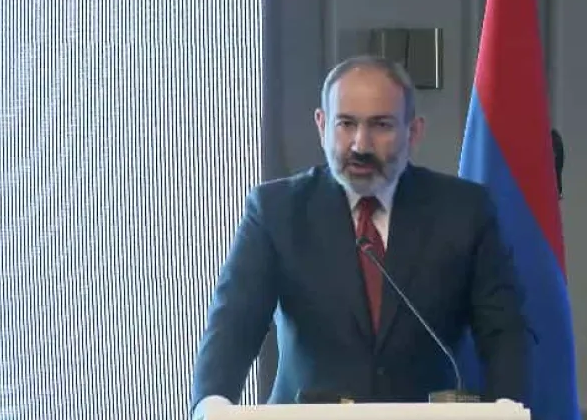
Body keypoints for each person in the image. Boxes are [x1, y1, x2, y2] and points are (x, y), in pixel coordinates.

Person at [190, 55, 531, 418]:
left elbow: (503, 330)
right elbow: (234, 323)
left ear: (414, 132)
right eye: (346, 124)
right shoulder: (276, 211)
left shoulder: (464, 211)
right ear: (322, 126)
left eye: (381, 125)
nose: (360, 145)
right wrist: (212, 404)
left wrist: (507, 407)